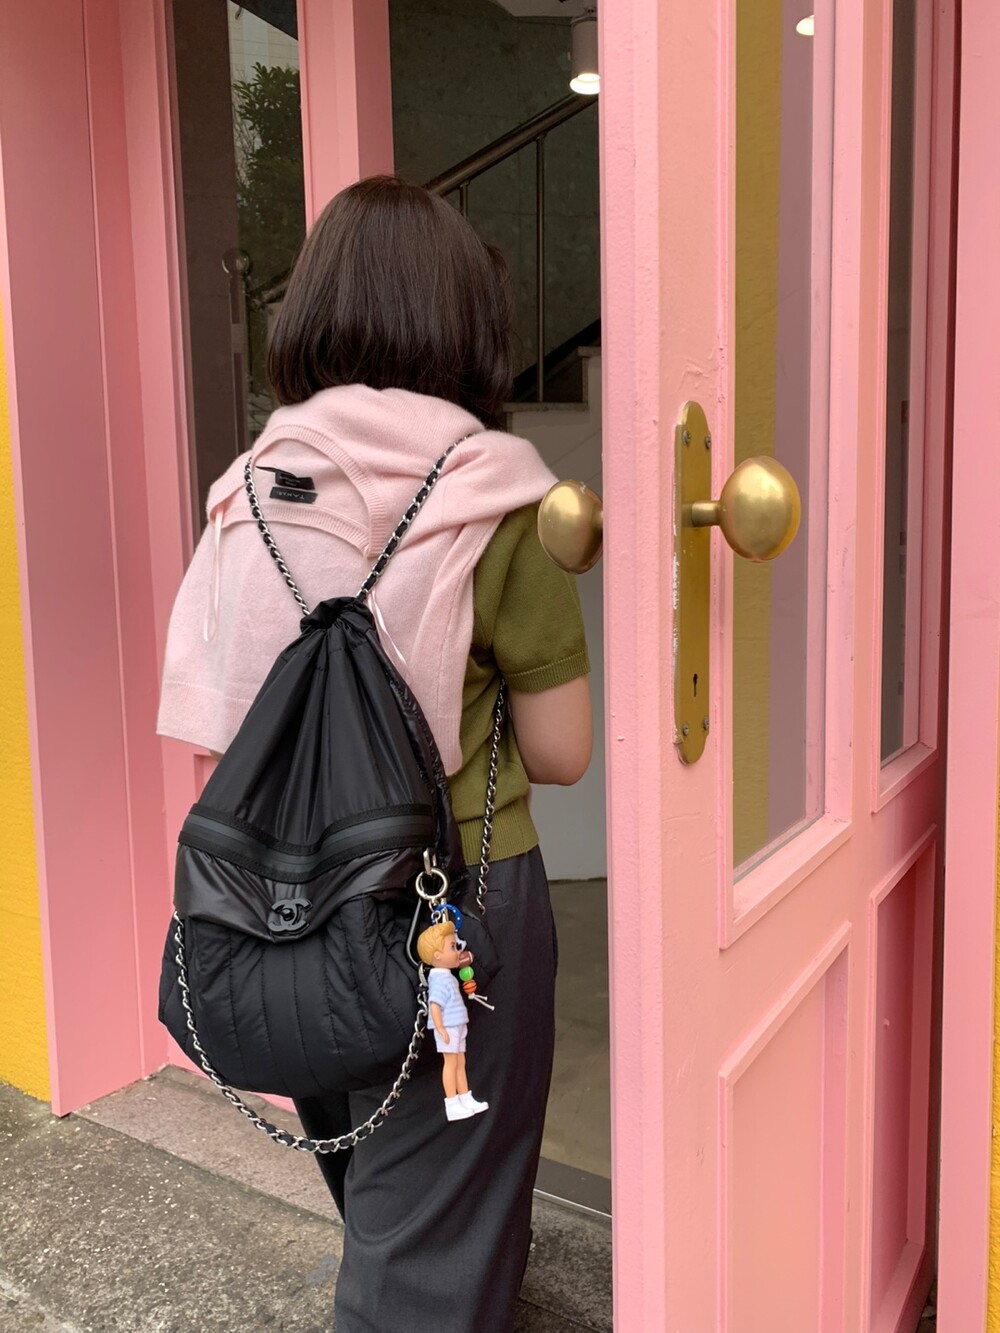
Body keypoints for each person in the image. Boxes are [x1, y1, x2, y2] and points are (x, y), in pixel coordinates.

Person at [157, 175, 592, 1333]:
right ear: (467, 320)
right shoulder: (504, 499)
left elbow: (211, 724)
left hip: (276, 898)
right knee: (427, 1236)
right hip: (456, 896)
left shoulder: (247, 492)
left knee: (372, 1168)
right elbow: (561, 752)